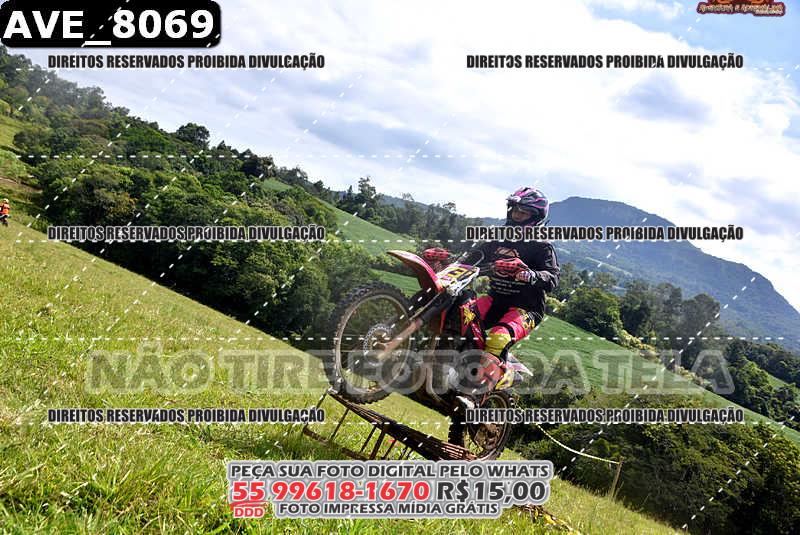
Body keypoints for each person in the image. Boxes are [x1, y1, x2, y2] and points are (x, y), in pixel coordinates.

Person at [422, 187, 560, 397]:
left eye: (523, 213)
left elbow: (553, 278)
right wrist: (446, 263)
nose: (516, 216)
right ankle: (442, 367)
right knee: (458, 315)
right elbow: (471, 259)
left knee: (498, 338)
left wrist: (531, 274)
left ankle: (474, 395)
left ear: (535, 217)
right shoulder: (498, 238)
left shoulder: (541, 246)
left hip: (526, 309)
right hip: (495, 300)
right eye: (515, 210)